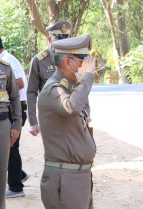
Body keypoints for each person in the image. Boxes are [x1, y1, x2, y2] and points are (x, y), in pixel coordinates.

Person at [38, 33, 96, 209]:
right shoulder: (53, 89)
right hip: (65, 179)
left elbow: (83, 111)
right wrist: (86, 78)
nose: (86, 68)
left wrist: (82, 81)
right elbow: (72, 108)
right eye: (82, 62)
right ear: (67, 62)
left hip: (78, 177)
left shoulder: (70, 88)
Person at [27, 20, 71, 136]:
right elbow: (31, 92)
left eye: (65, 39)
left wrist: (86, 113)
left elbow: (82, 86)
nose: (63, 43)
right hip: (50, 117)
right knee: (54, 152)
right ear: (49, 40)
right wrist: (32, 121)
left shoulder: (74, 59)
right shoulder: (39, 61)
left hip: (72, 114)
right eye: (59, 39)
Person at [0, 38, 29, 198]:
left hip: (10, 112)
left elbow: (18, 85)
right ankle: (19, 176)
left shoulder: (6, 61)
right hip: (9, 109)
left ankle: (16, 184)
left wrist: (16, 125)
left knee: (12, 147)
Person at [0, 59, 21, 209]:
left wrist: (17, 125)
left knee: (1, 174)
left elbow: (14, 97)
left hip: (2, 124)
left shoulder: (5, 67)